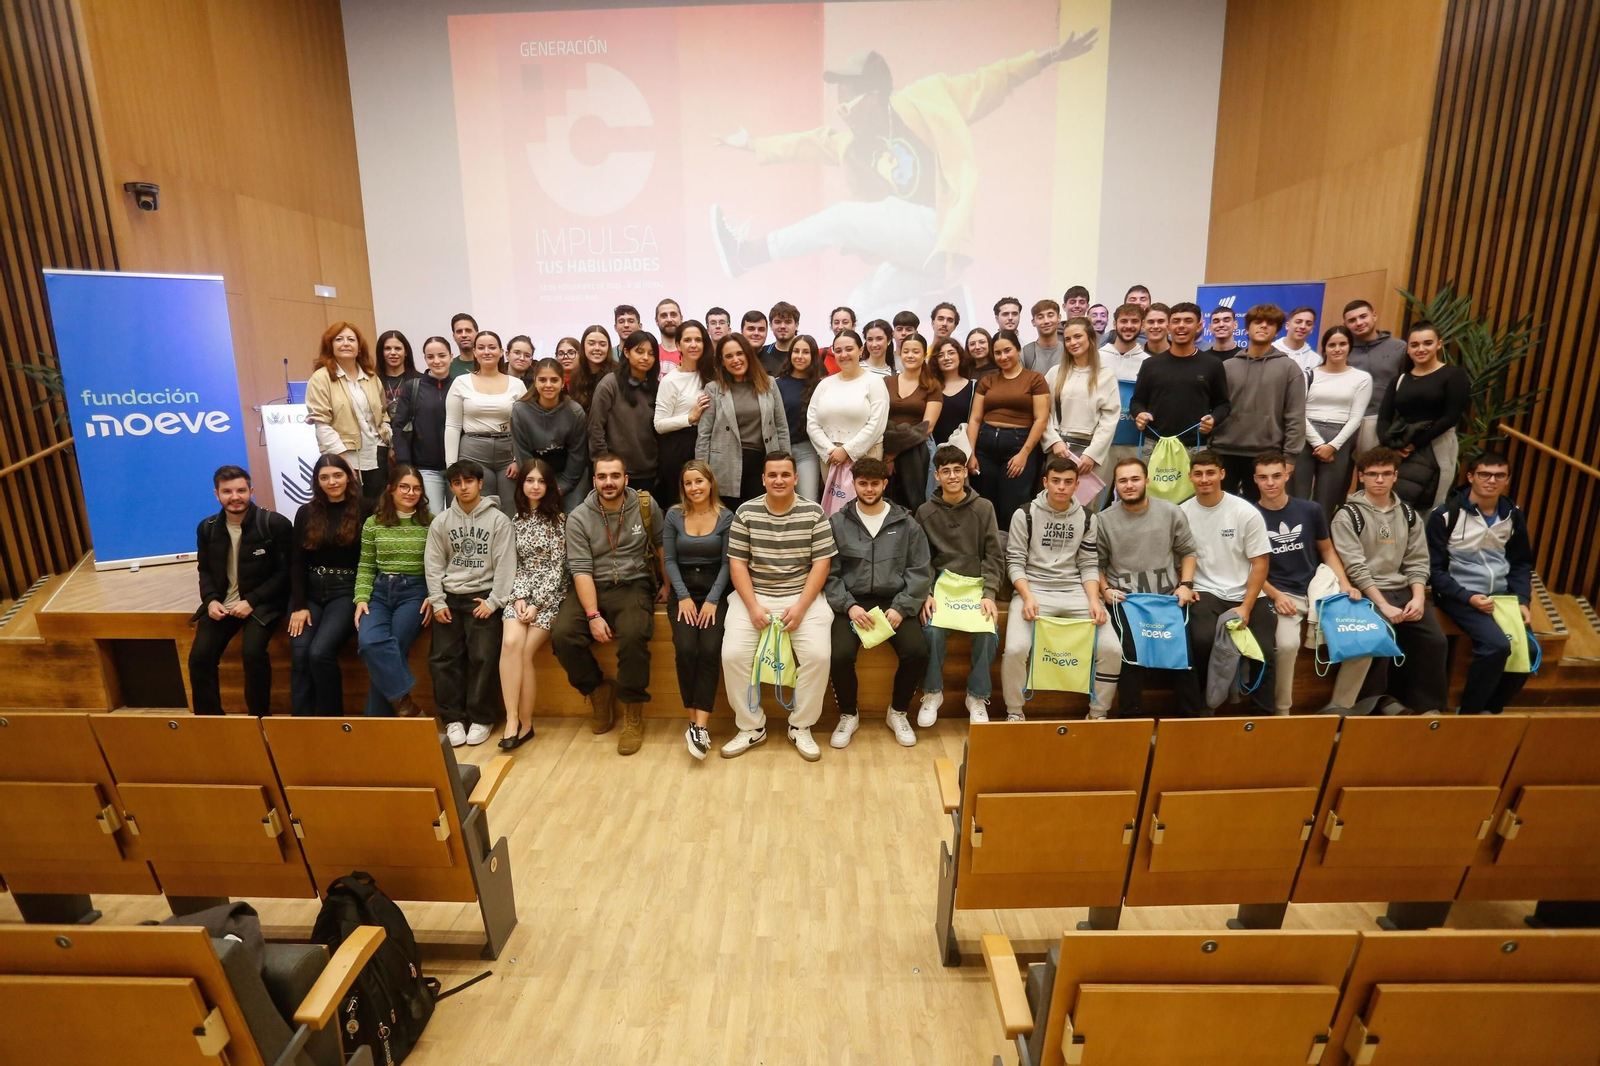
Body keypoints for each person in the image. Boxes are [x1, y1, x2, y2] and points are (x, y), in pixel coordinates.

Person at [709, 35, 1098, 316]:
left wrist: (1046, 57)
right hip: (921, 255)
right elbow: (813, 143)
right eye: (839, 102)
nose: (843, 110)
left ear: (876, 95)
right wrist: (751, 144)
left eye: (849, 101)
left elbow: (987, 80)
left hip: (937, 229)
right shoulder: (856, 145)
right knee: (858, 304)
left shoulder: (927, 99)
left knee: (842, 218)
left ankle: (750, 253)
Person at [720, 452, 837, 761]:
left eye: (785, 474)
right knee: (732, 655)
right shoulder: (745, 513)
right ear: (763, 479)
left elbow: (821, 565)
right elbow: (738, 566)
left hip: (803, 599)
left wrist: (800, 607)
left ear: (796, 478)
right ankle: (751, 727)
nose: (779, 480)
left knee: (818, 656)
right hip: (754, 597)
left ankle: (800, 726)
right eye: (772, 475)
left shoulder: (814, 513)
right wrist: (753, 607)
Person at [551, 455, 665, 755]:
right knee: (562, 635)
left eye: (615, 476)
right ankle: (597, 691)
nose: (609, 482)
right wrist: (592, 614)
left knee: (633, 634)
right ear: (594, 481)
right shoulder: (578, 517)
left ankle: (632, 709)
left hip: (633, 584)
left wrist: (666, 584)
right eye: (602, 476)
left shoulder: (644, 505)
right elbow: (581, 569)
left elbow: (662, 544)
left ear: (626, 478)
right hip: (592, 586)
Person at [1329, 448, 1449, 713]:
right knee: (1378, 639)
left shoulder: (1408, 514)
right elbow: (1356, 568)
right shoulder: (1349, 515)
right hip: (1365, 593)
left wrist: (1418, 598)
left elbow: (1417, 561)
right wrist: (1383, 605)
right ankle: (1372, 706)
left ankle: (1425, 708)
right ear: (1361, 477)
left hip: (1404, 590)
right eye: (1372, 474)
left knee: (1435, 641)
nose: (1379, 480)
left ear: (1395, 476)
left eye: (1386, 474)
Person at [1002, 456, 1120, 720]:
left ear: (1078, 484)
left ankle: (1098, 713)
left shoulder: (1089, 518)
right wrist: (1027, 596)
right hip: (1033, 590)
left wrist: (1094, 599)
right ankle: (1014, 711)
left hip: (1076, 591)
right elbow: (1015, 563)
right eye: (1055, 481)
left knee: (1112, 649)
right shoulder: (1025, 514)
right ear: (1045, 482)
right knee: (1015, 649)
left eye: (1068, 482)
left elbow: (1089, 564)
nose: (1061, 487)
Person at [825, 458, 932, 747]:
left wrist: (902, 607)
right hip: (853, 604)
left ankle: (897, 711)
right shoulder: (836, 523)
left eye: (875, 483)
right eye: (863, 483)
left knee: (917, 652)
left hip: (894, 601)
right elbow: (828, 573)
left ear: (885, 484)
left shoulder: (907, 523)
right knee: (839, 655)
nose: (869, 489)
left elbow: (920, 570)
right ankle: (848, 714)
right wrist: (848, 606)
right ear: (854, 484)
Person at [1252, 451, 1363, 714]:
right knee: (1288, 645)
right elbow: (1247, 566)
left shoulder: (1310, 509)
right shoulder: (1249, 515)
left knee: (1362, 638)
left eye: (1277, 476)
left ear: (1287, 475)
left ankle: (1341, 706)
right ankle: (1282, 712)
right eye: (1264, 477)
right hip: (1277, 594)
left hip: (1317, 591)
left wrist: (1345, 584)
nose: (1271, 483)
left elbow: (1327, 550)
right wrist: (1276, 595)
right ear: (1255, 480)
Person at [1427, 452, 1535, 715]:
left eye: (1499, 475)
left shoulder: (1513, 515)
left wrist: (1522, 599)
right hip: (1458, 594)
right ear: (1470, 476)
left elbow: (1521, 563)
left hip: (1502, 596)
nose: (1491, 481)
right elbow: (1433, 569)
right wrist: (1467, 597)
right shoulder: (1444, 515)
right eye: (1484, 474)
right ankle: (1469, 714)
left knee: (1530, 651)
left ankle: (1492, 710)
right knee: (1496, 646)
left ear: (1507, 480)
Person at [1095, 457, 1201, 715]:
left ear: (1147, 481)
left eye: (1134, 479)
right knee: (1131, 661)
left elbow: (1188, 552)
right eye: (1122, 481)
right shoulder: (1102, 520)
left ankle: (1191, 726)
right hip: (1126, 603)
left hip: (1166, 600)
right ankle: (1131, 726)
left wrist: (1186, 584)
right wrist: (1105, 590)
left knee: (1186, 661)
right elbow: (1094, 565)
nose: (1129, 485)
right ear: (1116, 486)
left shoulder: (1171, 511)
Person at [189, 465, 293, 716]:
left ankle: (258, 718)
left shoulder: (274, 524)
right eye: (227, 491)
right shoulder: (207, 528)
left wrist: (252, 601)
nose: (235, 497)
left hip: (264, 603)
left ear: (251, 491)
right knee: (199, 658)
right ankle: (211, 720)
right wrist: (211, 600)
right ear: (216, 494)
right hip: (223, 604)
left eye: (241, 490)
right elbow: (205, 570)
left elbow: (286, 573)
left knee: (253, 652)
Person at [426, 459, 517, 746]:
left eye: (469, 481)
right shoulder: (441, 522)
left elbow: (506, 564)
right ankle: (453, 719)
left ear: (480, 483)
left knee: (484, 658)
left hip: (484, 597)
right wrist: (437, 601)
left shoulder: (498, 520)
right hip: (449, 599)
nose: (463, 487)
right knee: (443, 660)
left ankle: (481, 718)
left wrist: (494, 602)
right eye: (457, 482)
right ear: (451, 487)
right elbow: (433, 563)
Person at [1180, 450, 1275, 714]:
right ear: (1190, 477)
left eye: (1210, 472)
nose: (1204, 479)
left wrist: (1246, 606)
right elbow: (1178, 558)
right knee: (1200, 641)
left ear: (1222, 474)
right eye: (1198, 473)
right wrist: (1186, 586)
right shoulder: (1181, 513)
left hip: (1246, 593)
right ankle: (1203, 708)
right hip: (1205, 592)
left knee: (1265, 650)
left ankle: (1264, 716)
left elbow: (1260, 563)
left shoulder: (1245, 511)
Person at [916, 445, 1003, 724]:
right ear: (937, 476)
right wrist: (926, 592)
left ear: (966, 472)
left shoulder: (984, 507)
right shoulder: (925, 511)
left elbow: (993, 555)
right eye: (946, 471)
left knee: (987, 632)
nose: (952, 476)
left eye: (957, 470)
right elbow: (922, 559)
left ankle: (977, 696)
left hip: (975, 586)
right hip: (942, 587)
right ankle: (932, 693)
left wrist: (989, 593)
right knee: (931, 631)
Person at [287, 454, 373, 716]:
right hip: (310, 591)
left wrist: (362, 595)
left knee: (320, 652)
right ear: (317, 482)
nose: (332, 481)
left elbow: (369, 559)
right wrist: (299, 605)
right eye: (324, 477)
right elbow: (297, 562)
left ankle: (331, 721)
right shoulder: (305, 512)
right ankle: (300, 723)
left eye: (337, 475)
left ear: (349, 476)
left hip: (346, 590)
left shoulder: (367, 508)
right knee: (300, 654)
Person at [665, 461, 734, 760]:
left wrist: (712, 600)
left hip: (714, 592)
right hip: (682, 591)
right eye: (688, 483)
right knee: (684, 648)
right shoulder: (673, 515)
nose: (694, 488)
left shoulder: (726, 517)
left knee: (708, 649)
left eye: (699, 482)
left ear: (710, 484)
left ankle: (700, 725)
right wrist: (681, 596)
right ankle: (693, 722)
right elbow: (668, 560)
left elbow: (728, 563)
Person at [498, 460, 567, 751]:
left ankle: (525, 724)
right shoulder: (515, 521)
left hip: (550, 596)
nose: (535, 486)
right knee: (511, 642)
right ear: (521, 484)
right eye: (529, 480)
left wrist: (537, 604)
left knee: (526, 650)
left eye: (541, 481)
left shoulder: (560, 521)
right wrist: (519, 598)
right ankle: (511, 719)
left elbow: (558, 567)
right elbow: (514, 565)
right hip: (520, 592)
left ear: (549, 485)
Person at [354, 464, 433, 717]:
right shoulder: (372, 524)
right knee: (369, 643)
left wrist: (435, 596)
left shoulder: (431, 523)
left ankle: (376, 725)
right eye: (404, 487)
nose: (410, 493)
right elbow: (366, 565)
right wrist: (361, 598)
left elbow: (439, 565)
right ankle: (405, 704)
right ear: (390, 489)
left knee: (395, 647)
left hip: (415, 592)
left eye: (416, 488)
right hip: (378, 593)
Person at [1208, 304, 1307, 500]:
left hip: (1267, 454)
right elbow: (1213, 408)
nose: (1263, 326)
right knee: (1222, 510)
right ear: (1246, 328)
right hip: (1224, 450)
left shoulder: (1289, 368)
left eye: (1270, 323)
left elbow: (1295, 415)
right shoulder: (1226, 367)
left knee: (1259, 515)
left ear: (1278, 330)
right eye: (1257, 322)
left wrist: (1290, 457)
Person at [965, 328, 1048, 539]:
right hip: (985, 445)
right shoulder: (988, 381)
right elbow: (974, 419)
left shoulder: (1035, 379)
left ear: (1018, 349)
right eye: (998, 353)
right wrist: (971, 453)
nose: (1003, 357)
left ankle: (1013, 557)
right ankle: (990, 552)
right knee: (985, 502)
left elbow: (1041, 419)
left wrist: (1024, 454)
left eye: (1007, 350)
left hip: (1019, 444)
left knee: (1014, 503)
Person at [1377, 321, 1470, 508]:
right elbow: (1384, 417)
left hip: (1437, 444)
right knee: (1392, 503)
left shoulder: (1453, 375)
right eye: (1414, 345)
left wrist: (1413, 444)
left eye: (1427, 343)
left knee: (1431, 502)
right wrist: (1391, 445)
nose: (1421, 349)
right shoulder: (1400, 379)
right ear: (1408, 350)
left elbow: (1451, 417)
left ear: (1439, 344)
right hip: (1399, 449)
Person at [698, 332, 791, 509]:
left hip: (763, 462)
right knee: (729, 519)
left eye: (739, 353)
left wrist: (787, 464)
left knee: (761, 516)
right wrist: (702, 473)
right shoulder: (713, 389)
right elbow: (704, 435)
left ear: (748, 354)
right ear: (722, 361)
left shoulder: (770, 384)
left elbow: (781, 427)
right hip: (725, 463)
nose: (735, 360)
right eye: (729, 356)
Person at [306, 321, 391, 501]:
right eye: (339, 339)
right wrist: (341, 460)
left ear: (359, 348)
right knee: (351, 511)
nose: (346, 343)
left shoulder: (371, 377)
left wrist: (388, 439)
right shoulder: (321, 378)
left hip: (377, 453)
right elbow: (322, 424)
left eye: (351, 339)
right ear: (330, 346)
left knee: (377, 510)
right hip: (345, 456)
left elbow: (383, 414)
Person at [445, 329, 525, 518]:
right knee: (478, 511)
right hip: (473, 451)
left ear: (501, 352)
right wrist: (451, 465)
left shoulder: (517, 384)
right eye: (481, 347)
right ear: (474, 352)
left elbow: (523, 427)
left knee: (510, 510)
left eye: (492, 347)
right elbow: (453, 425)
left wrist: (518, 460)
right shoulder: (460, 382)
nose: (486, 352)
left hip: (508, 454)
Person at [1293, 326, 1372, 518]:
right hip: (1306, 435)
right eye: (1332, 345)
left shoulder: (1362, 378)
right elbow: (1298, 412)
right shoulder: (1309, 375)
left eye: (1342, 344)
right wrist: (1319, 443)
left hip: (1340, 440)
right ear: (1324, 348)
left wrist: (1332, 446)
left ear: (1350, 346)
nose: (1337, 349)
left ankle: (1322, 545)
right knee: (1297, 497)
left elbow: (1356, 418)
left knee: (1327, 501)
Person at [1129, 302, 1230, 449]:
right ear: (1169, 327)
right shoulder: (1150, 364)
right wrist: (1139, 414)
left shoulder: (1212, 364)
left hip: (1196, 446)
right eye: (1176, 321)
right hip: (1157, 444)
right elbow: (1137, 401)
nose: (1181, 326)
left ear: (1199, 326)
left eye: (1188, 321)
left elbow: (1223, 404)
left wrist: (1214, 419)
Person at [807, 328, 890, 486]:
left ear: (861, 350)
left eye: (849, 349)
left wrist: (847, 451)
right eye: (838, 351)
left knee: (864, 506)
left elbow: (877, 424)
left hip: (866, 456)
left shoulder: (875, 382)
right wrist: (830, 451)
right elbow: (812, 422)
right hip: (830, 458)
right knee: (834, 508)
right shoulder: (824, 384)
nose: (843, 354)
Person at [1042, 317, 1120, 481]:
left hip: (1089, 455)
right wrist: (1054, 441)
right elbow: (1043, 414)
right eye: (1068, 339)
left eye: (1078, 336)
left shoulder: (1106, 375)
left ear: (1090, 338)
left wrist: (1092, 454)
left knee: (1087, 506)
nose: (1072, 343)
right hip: (1060, 450)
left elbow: (1109, 419)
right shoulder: (1054, 373)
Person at [588, 329, 662, 497]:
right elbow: (596, 428)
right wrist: (605, 466)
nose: (645, 357)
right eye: (640, 351)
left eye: (651, 354)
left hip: (648, 472)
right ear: (627, 352)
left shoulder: (656, 387)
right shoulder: (610, 384)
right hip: (614, 474)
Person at [512, 357, 589, 514]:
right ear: (535, 381)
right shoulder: (520, 411)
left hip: (570, 476)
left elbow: (578, 456)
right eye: (542, 380)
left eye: (554, 380)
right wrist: (539, 484)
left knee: (573, 517)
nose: (548, 385)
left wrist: (562, 486)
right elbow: (522, 455)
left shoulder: (575, 412)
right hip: (536, 477)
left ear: (562, 383)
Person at [652, 319, 712, 508]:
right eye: (687, 340)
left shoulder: (714, 374)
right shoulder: (670, 380)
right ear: (678, 344)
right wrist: (690, 418)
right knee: (680, 506)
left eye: (698, 340)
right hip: (678, 447)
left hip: (708, 445)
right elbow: (659, 424)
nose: (693, 345)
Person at [393, 335, 455, 516]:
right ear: (425, 359)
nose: (436, 361)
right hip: (426, 469)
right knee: (433, 520)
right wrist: (405, 466)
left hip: (457, 467)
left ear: (451, 356)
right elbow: (399, 428)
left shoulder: (461, 385)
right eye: (430, 357)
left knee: (461, 522)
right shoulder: (413, 387)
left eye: (442, 355)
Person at [884, 331, 943, 510]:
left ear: (924, 354)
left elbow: (928, 426)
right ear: (900, 354)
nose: (910, 355)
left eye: (916, 351)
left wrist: (893, 453)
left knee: (915, 502)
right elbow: (880, 419)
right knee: (888, 501)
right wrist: (888, 455)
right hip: (885, 447)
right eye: (906, 351)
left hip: (917, 450)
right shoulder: (886, 382)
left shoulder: (932, 385)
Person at [1343, 299, 1408, 453]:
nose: (1359, 323)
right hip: (1345, 421)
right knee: (1340, 474)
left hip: (1382, 420)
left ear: (1374, 316)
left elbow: (1408, 386)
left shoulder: (1399, 348)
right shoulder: (1342, 349)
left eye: (1363, 316)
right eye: (1352, 320)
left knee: (1374, 473)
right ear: (1345, 325)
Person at [1099, 303, 1148, 478]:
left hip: (1135, 443)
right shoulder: (1098, 357)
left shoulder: (1148, 362)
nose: (1129, 326)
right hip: (1101, 443)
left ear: (1142, 325)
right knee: (1096, 502)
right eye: (1124, 321)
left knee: (1132, 497)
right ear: (1114, 323)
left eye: (1134, 321)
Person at [776, 333, 825, 500]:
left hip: (807, 450)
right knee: (781, 499)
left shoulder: (821, 386)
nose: (799, 356)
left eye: (805, 352)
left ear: (813, 356)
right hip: (780, 449)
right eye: (795, 351)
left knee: (809, 500)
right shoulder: (777, 384)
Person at [929, 336, 974, 460]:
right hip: (935, 453)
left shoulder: (974, 387)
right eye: (940, 355)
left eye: (951, 353)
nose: (946, 358)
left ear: (960, 355)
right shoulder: (930, 388)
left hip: (965, 453)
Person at [568, 324, 616, 410]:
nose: (597, 348)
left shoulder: (618, 372)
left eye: (602, 344)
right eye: (591, 344)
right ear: (583, 347)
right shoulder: (575, 375)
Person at [376, 329, 419, 423]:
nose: (393, 353)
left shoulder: (420, 380)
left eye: (398, 348)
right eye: (387, 348)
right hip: (384, 435)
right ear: (381, 353)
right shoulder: (373, 382)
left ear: (406, 352)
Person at [1021, 298, 1063, 374]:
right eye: (1040, 317)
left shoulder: (1068, 351)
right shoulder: (1025, 353)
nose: (1046, 321)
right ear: (1033, 322)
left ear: (1059, 318)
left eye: (1050, 315)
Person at [760, 300, 799, 375]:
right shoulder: (762, 353)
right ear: (771, 326)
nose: (783, 326)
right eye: (778, 322)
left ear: (796, 325)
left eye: (788, 322)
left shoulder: (806, 353)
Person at [821, 305, 856, 373]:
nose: (840, 327)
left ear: (853, 326)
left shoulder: (862, 355)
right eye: (836, 323)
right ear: (831, 326)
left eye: (845, 322)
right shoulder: (821, 354)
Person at [447, 312, 478, 377]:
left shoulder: (488, 363)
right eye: (459, 331)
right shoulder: (447, 367)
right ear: (454, 336)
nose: (464, 335)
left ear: (477, 334)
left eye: (468, 330)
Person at [655, 298, 682, 369]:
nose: (669, 320)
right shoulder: (651, 353)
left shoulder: (690, 353)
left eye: (673, 315)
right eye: (664, 316)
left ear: (681, 318)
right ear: (656, 321)